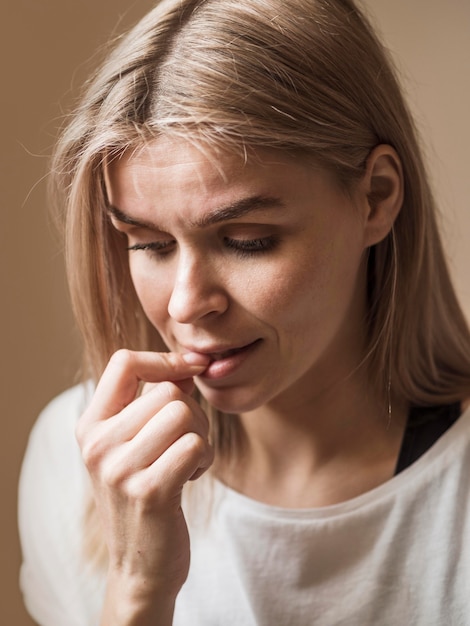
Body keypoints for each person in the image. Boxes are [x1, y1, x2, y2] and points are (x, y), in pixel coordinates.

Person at [18, 0, 470, 624]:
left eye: (247, 240)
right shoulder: (76, 464)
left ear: (377, 198)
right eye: (148, 244)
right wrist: (136, 590)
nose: (183, 303)